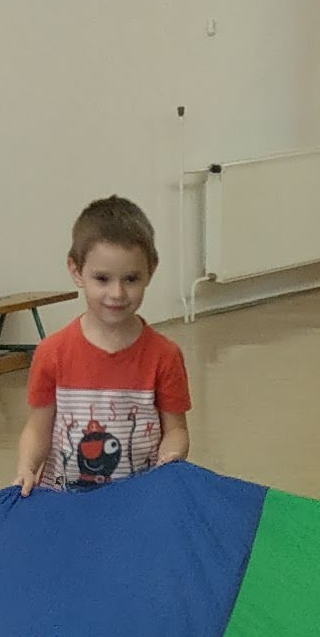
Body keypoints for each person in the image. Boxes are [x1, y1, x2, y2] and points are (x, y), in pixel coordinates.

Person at [16, 197, 191, 494]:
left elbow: (176, 429)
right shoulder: (52, 352)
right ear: (76, 271)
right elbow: (38, 428)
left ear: (151, 270)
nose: (117, 293)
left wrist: (171, 458)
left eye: (131, 279)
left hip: (137, 502)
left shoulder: (165, 355)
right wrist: (26, 466)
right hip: (65, 503)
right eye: (102, 279)